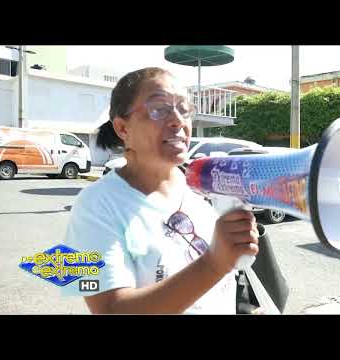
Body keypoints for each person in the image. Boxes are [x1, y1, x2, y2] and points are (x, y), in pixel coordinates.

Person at [61, 67, 259, 314]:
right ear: (123, 129)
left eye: (184, 109)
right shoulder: (92, 205)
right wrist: (214, 263)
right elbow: (110, 309)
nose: (178, 120)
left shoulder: (201, 187)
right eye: (159, 110)